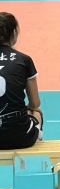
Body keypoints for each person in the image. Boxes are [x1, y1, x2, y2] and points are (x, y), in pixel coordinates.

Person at [0, 13, 43, 150]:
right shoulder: (24, 60)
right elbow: (35, 103)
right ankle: (37, 137)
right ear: (14, 33)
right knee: (37, 112)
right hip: (19, 137)